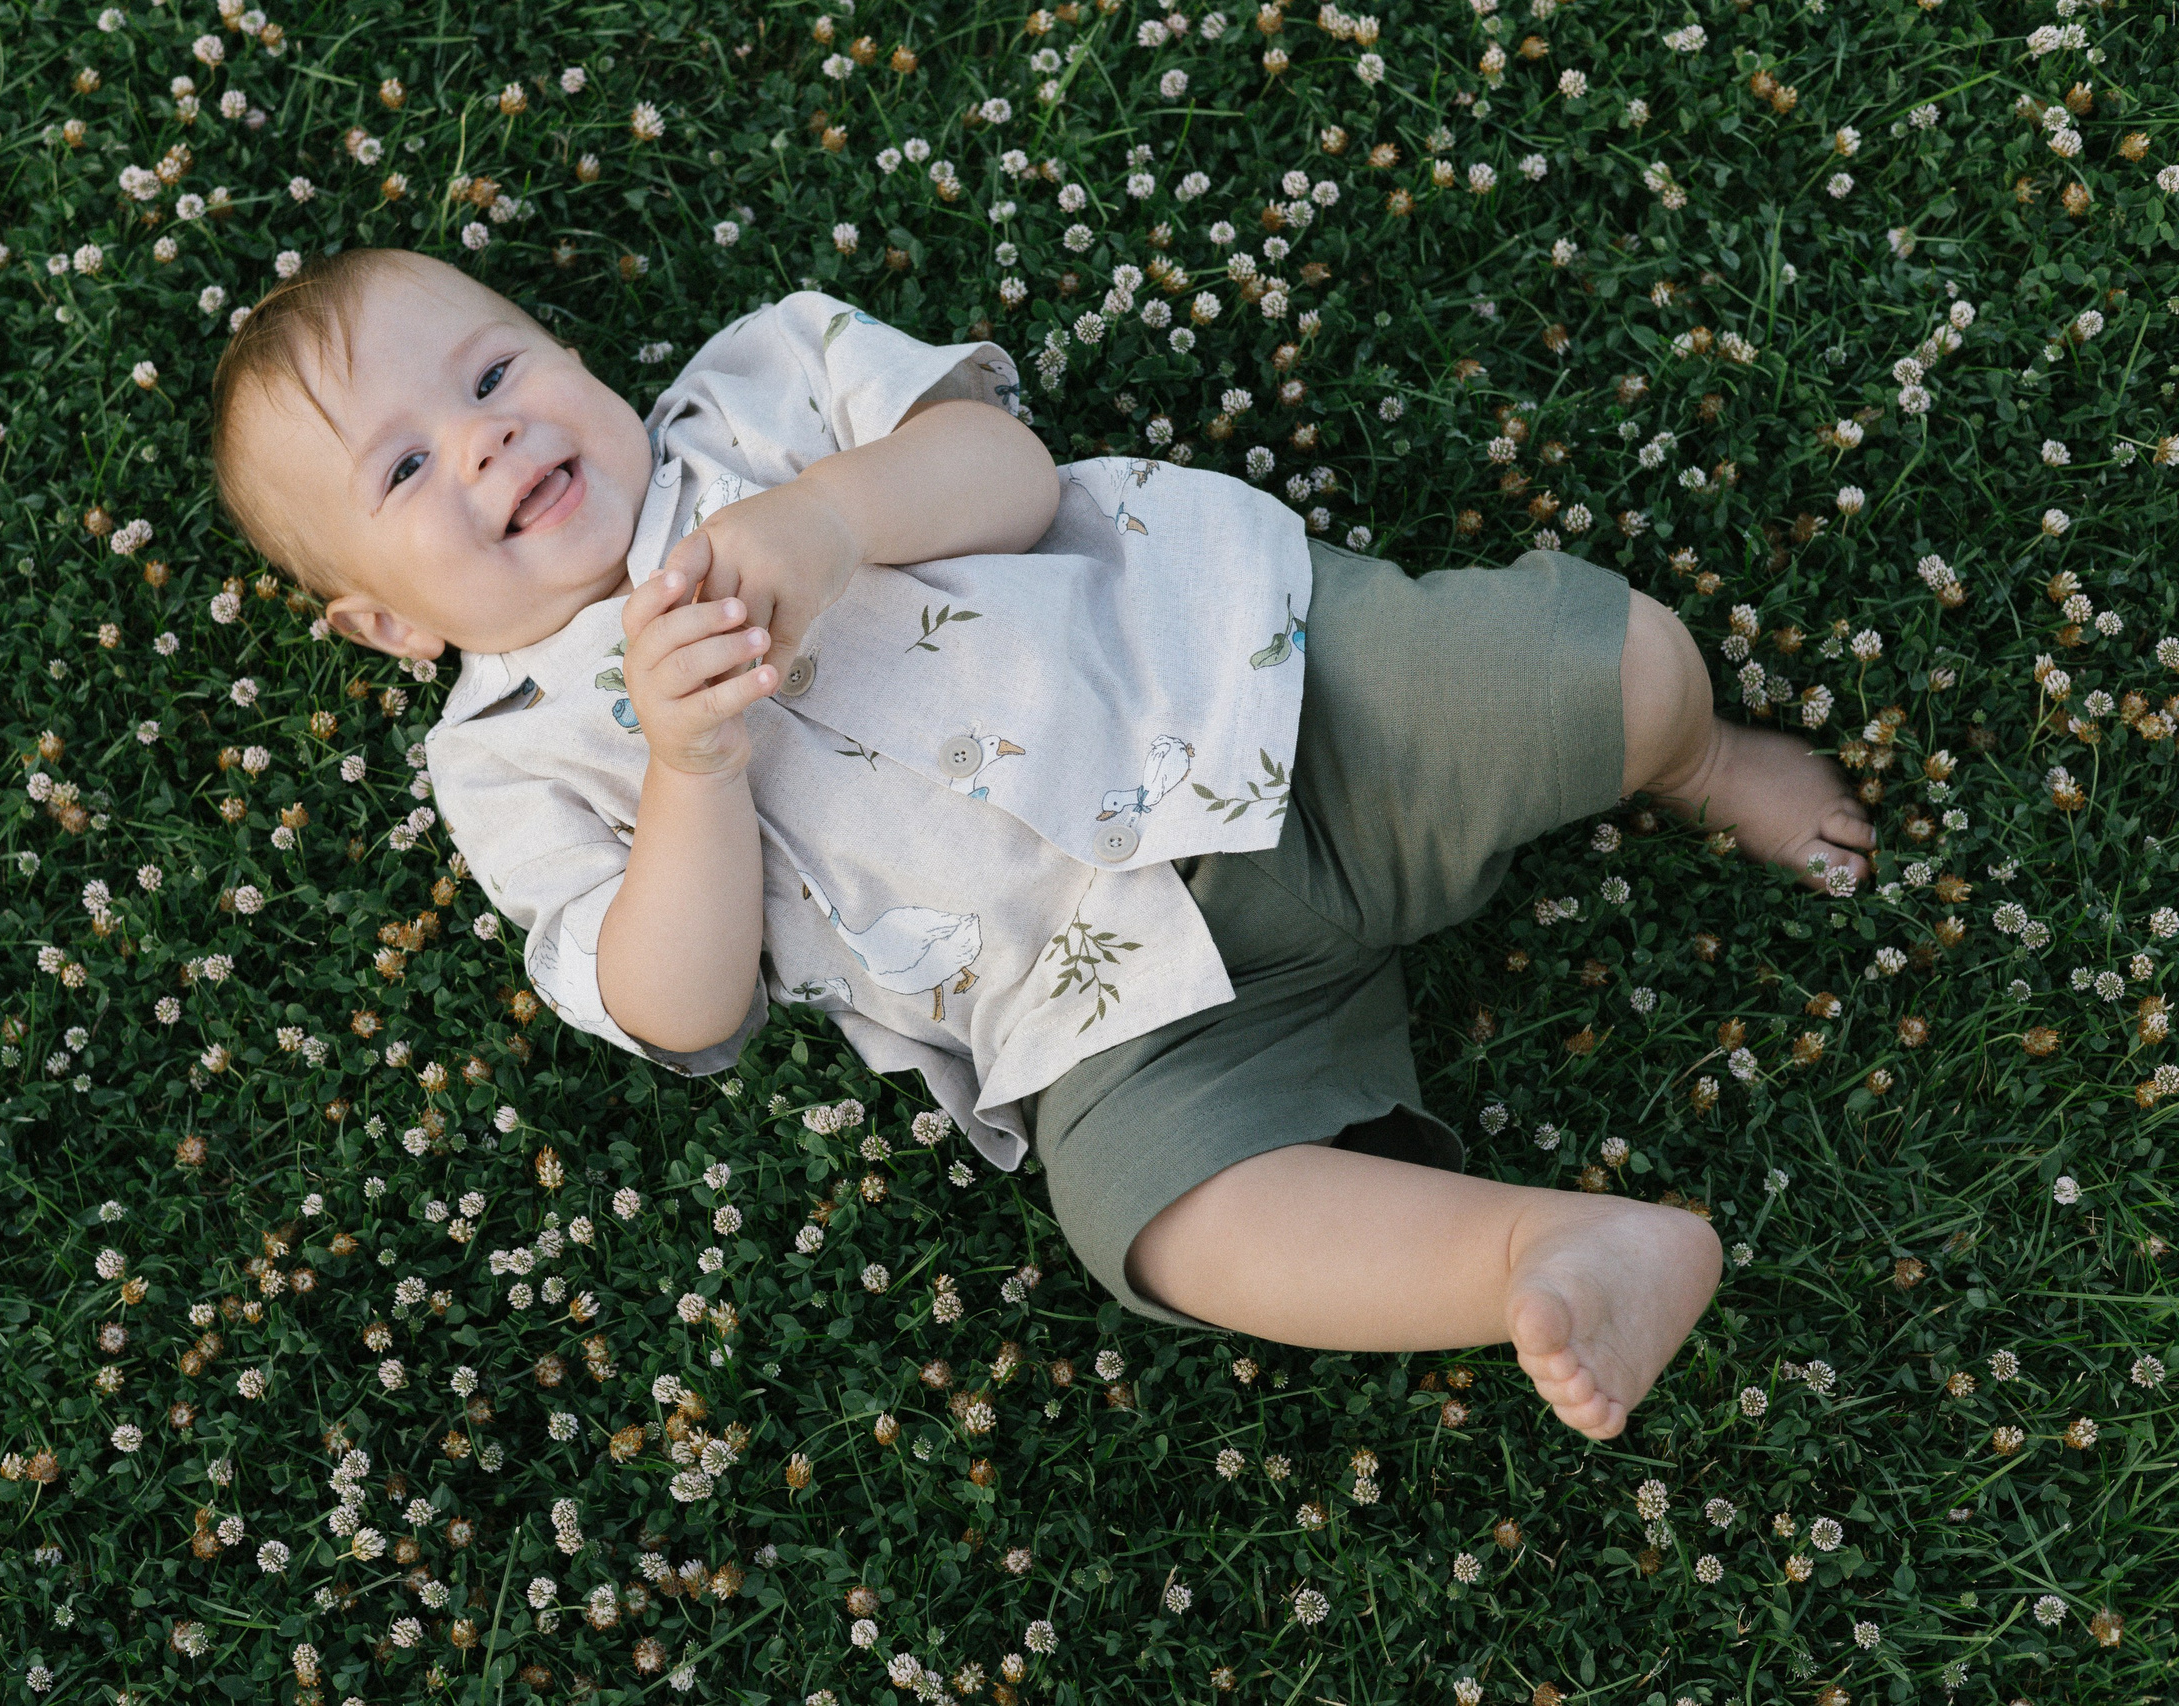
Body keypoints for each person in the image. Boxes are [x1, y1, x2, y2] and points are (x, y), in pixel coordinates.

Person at [207, 247, 1878, 1440]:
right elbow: (679, 1005)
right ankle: (1542, 1250)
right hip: (1098, 1016)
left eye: (494, 372)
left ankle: (1699, 754)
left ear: (569, 359)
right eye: (406, 464)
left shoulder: (762, 390)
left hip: (1262, 710)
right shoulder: (508, 763)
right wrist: (691, 771)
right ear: (382, 622)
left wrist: (830, 515)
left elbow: (1002, 469)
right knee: (1162, 1225)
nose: (486, 436)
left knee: (1625, 671)